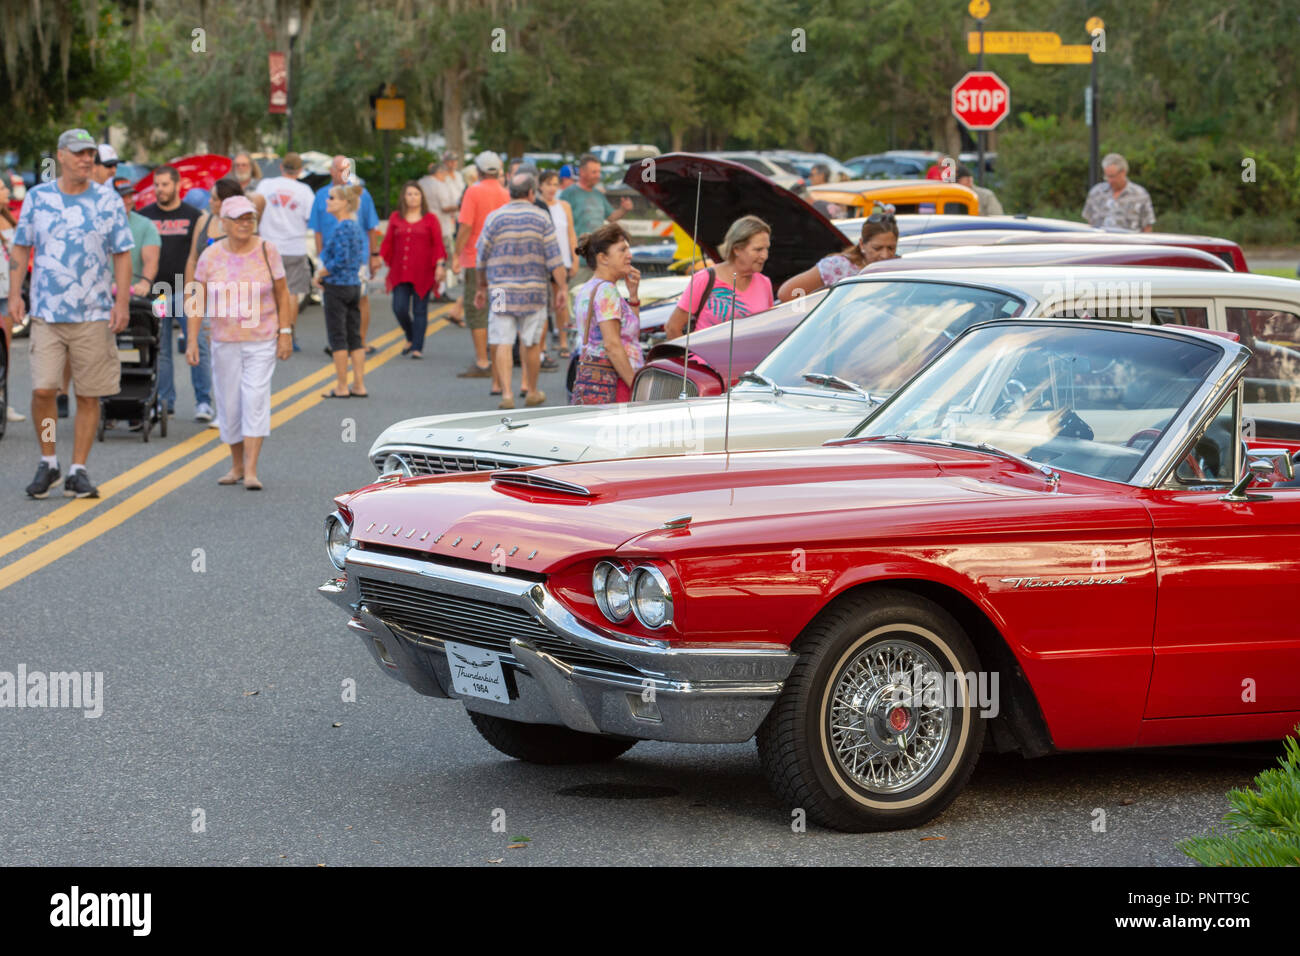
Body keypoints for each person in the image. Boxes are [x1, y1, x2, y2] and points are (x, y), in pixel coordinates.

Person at [8, 128, 133, 499]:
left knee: (90, 395)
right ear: (60, 156)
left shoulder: (108, 202)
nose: (86, 159)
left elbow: (123, 253)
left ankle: (78, 468)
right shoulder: (38, 198)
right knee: (44, 389)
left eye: (90, 153)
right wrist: (15, 294)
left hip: (93, 313)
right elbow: (20, 248)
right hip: (47, 313)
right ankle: (49, 460)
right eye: (78, 153)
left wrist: (122, 302)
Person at [188, 195, 291, 491]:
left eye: (250, 219)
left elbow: (283, 292)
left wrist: (285, 332)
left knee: (255, 398)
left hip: (262, 338)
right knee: (229, 403)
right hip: (224, 339)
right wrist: (193, 339)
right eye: (239, 219)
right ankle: (235, 465)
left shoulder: (266, 250)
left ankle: (251, 470)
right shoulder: (211, 255)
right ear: (224, 223)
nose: (246, 224)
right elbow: (198, 297)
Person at [475, 172, 565, 410]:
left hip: (501, 289)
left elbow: (481, 256)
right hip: (533, 290)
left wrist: (481, 285)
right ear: (531, 193)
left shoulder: (495, 218)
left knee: (502, 341)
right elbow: (554, 258)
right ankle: (532, 390)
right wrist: (562, 288)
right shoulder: (541, 218)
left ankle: (507, 394)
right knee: (531, 343)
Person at [140, 164, 209, 421]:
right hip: (156, 294)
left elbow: (203, 254)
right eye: (157, 185)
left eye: (165, 184)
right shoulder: (145, 216)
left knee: (198, 344)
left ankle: (203, 402)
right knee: (161, 349)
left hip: (186, 292)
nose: (160, 190)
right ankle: (165, 401)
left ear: (178, 185)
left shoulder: (194, 216)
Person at [309, 155, 381, 354]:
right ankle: (338, 341)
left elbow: (371, 227)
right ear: (331, 171)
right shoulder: (323, 195)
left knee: (360, 298)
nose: (342, 173)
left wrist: (374, 255)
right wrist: (320, 258)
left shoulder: (361, 195)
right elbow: (317, 230)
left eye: (346, 168)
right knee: (331, 301)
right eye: (339, 169)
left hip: (357, 258)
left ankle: (359, 341)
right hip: (329, 257)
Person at [569, 223, 643, 405]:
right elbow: (612, 345)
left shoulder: (588, 289)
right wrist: (637, 387)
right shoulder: (607, 291)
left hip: (597, 380)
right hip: (617, 382)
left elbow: (629, 336)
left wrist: (633, 296)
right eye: (622, 250)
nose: (629, 255)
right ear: (603, 258)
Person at [665, 215, 774, 338]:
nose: (764, 256)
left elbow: (767, 330)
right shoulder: (705, 279)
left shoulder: (765, 283)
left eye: (767, 249)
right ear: (737, 249)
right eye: (758, 250)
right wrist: (689, 358)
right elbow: (672, 327)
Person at [454, 150, 509, 382]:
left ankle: (482, 361)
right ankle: (498, 362)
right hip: (502, 261)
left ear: (477, 171)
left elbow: (465, 226)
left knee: (477, 310)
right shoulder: (506, 193)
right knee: (498, 310)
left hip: (475, 258)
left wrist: (456, 254)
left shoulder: (472, 192)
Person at [254, 151, 315, 346]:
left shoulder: (266, 185)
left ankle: (268, 331)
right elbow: (310, 219)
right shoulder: (305, 191)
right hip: (294, 247)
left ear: (281, 167)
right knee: (292, 292)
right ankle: (289, 332)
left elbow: (255, 208)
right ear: (300, 171)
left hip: (268, 246)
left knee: (267, 291)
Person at [777, 205, 899, 301]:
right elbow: (788, 293)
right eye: (877, 248)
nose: (885, 255)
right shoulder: (838, 266)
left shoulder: (900, 268)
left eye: (891, 248)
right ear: (862, 244)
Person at [380, 181, 446, 358]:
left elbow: (438, 244)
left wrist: (440, 265)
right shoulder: (396, 217)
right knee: (399, 308)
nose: (413, 197)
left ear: (421, 197)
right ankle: (410, 336)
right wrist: (378, 258)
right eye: (409, 194)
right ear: (403, 197)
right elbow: (387, 242)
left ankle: (417, 347)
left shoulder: (430, 219)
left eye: (416, 194)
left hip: (423, 271)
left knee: (420, 310)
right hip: (400, 270)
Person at [314, 184, 368, 399]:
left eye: (332, 198)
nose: (328, 201)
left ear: (345, 202)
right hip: (353, 285)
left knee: (338, 337)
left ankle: (342, 386)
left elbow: (341, 259)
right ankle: (359, 384)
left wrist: (321, 274)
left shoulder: (341, 227)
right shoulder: (354, 226)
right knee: (354, 337)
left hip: (337, 286)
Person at [560, 155, 633, 266]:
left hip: (597, 260)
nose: (598, 176)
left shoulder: (598, 195)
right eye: (594, 172)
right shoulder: (569, 194)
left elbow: (611, 217)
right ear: (582, 172)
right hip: (577, 260)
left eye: (599, 172)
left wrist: (624, 209)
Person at [539, 169, 577, 356]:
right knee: (544, 305)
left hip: (562, 260)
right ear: (540, 186)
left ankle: (563, 342)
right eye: (548, 184)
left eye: (555, 184)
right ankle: (542, 346)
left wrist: (575, 257)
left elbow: (571, 233)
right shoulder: (536, 206)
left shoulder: (564, 206)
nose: (552, 188)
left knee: (560, 303)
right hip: (542, 261)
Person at [0, 176, 24, 422]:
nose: (7, 191)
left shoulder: (10, 220)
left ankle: (3, 402)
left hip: (7, 292)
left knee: (4, 351)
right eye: (2, 188)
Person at [1082, 153, 1155, 232]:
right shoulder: (1096, 192)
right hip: (1101, 242)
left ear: (1123, 172)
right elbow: (1089, 222)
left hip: (1129, 243)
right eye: (1107, 176)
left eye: (1112, 176)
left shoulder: (1140, 195)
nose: (1110, 180)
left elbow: (1147, 226)